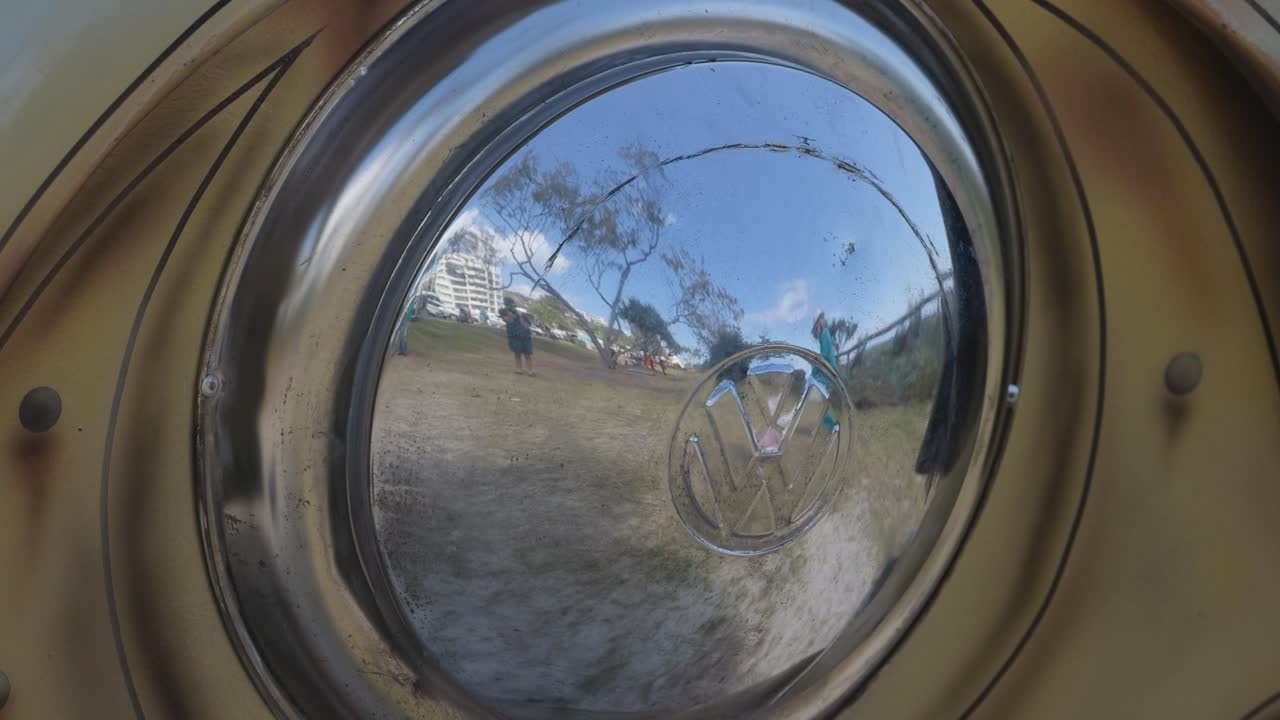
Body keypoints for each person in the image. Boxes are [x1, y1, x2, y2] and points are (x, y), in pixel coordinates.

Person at [500, 307, 534, 375]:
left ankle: (530, 371)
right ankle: (519, 369)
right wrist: (511, 315)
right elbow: (508, 320)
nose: (506, 318)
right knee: (517, 354)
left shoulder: (520, 317)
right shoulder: (509, 320)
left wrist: (518, 315)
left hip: (525, 338)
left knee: (527, 355)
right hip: (515, 338)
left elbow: (527, 325)